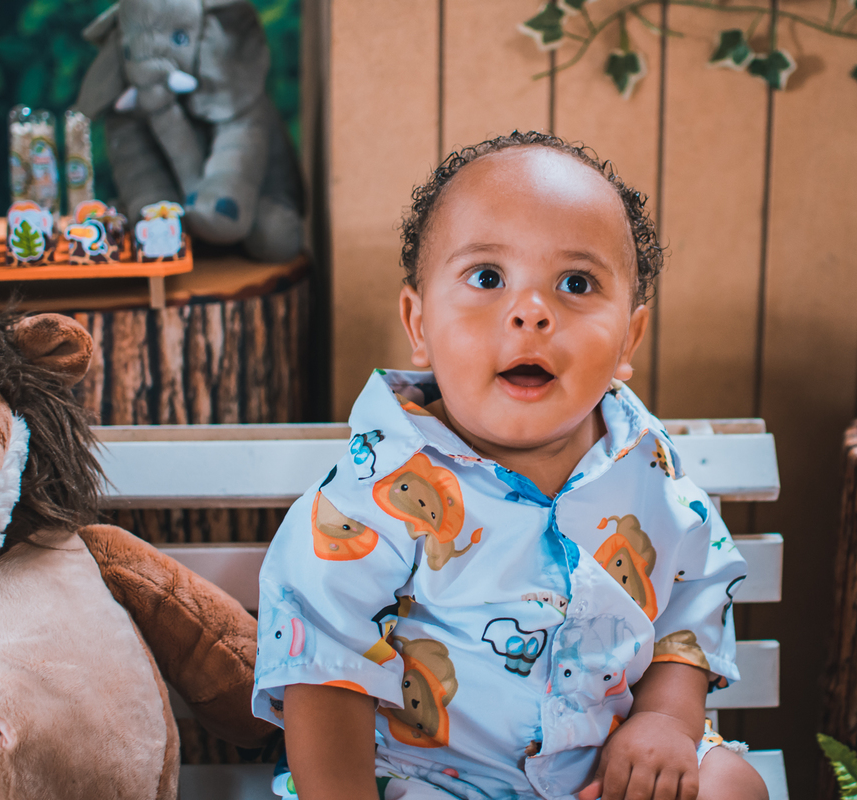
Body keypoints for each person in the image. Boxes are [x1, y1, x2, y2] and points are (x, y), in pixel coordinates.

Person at [253, 131, 768, 800]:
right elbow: (324, 668)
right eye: (487, 277)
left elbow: (689, 601)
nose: (531, 312)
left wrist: (666, 720)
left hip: (605, 767)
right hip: (433, 779)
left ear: (628, 339)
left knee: (731, 786)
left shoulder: (649, 469)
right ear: (418, 322)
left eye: (576, 283)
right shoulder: (376, 491)